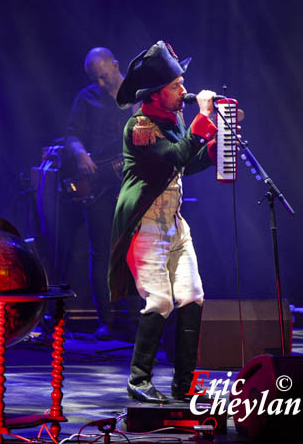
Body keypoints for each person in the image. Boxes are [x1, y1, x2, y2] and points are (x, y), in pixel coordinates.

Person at [108, 40, 218, 403]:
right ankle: (138, 380)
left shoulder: (173, 119)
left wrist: (213, 147)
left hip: (174, 224)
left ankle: (184, 385)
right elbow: (173, 155)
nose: (184, 91)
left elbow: (187, 162)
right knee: (160, 302)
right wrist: (202, 121)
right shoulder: (139, 127)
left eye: (182, 83)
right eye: (176, 86)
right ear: (155, 95)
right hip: (146, 226)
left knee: (192, 296)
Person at [65, 47, 132, 339]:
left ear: (115, 64)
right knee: (101, 252)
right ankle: (107, 320)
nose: (101, 84)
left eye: (104, 77)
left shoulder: (138, 95)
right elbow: (71, 134)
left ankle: (139, 319)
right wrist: (80, 153)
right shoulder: (86, 97)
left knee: (136, 251)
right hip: (97, 183)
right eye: (97, 79)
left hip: (131, 183)